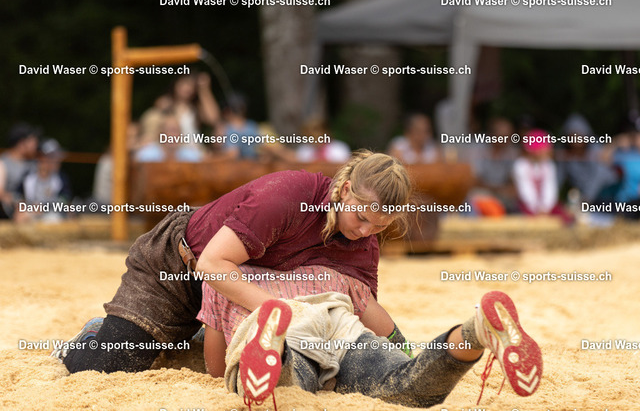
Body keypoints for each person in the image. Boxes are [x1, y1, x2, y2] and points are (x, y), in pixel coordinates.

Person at [52, 151, 411, 374]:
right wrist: (280, 315)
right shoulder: (287, 196)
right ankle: (97, 332)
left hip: (236, 290)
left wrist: (405, 353)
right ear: (345, 190)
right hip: (178, 267)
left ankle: (198, 332)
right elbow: (211, 264)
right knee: (102, 368)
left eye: (380, 226)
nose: (366, 231)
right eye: (361, 218)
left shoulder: (363, 242)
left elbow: (360, 304)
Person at [201, 279, 541, 409]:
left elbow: (214, 369)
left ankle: (277, 351)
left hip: (286, 325)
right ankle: (475, 331)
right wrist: (403, 353)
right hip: (338, 319)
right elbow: (382, 323)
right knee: (407, 386)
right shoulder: (335, 264)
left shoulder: (218, 280)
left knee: (285, 392)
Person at [20, 138, 73, 222]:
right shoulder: (28, 177)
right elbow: (19, 198)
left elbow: (65, 198)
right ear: (42, 158)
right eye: (53, 157)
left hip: (53, 215)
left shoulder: (61, 178)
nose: (58, 161)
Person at [0, 123, 40, 220]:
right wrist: (18, 202)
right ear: (22, 143)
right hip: (11, 212)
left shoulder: (34, 164)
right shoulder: (3, 163)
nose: (36, 143)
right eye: (32, 140)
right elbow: (1, 194)